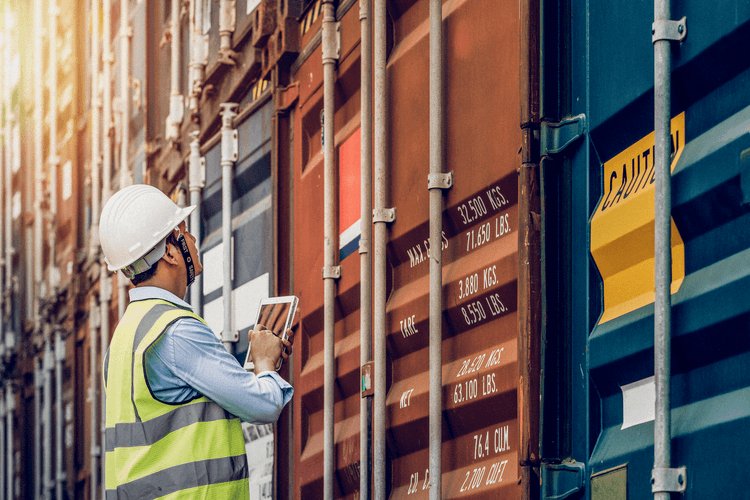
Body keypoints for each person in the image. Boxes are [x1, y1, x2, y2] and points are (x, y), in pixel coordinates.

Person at [99, 184, 293, 499]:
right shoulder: (176, 331)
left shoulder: (123, 340)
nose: (192, 240)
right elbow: (264, 404)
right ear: (171, 252)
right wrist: (265, 361)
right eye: (184, 232)